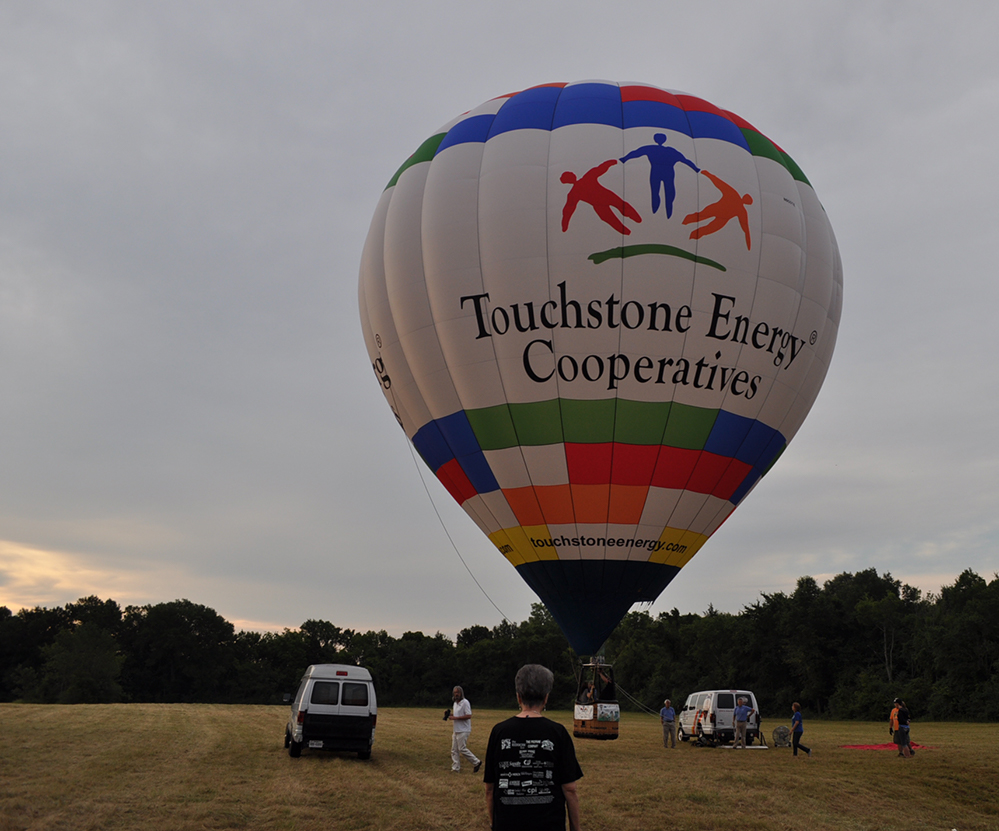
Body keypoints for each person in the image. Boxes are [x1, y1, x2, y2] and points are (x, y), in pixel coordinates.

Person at [483, 664, 583, 831]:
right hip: (549, 824)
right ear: (546, 697)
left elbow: (490, 788)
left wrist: (494, 824)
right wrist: (575, 828)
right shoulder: (557, 732)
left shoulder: (499, 732)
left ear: (518, 697)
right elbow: (570, 789)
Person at [619, 133, 700, 217]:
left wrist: (624, 159)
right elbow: (685, 160)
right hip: (667, 173)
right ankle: (665, 212)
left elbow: (636, 153)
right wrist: (695, 169)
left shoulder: (651, 149)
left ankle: (659, 211)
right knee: (668, 192)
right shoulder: (670, 151)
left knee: (657, 191)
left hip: (656, 172)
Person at [560, 159, 642, 235]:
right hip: (605, 199)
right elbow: (600, 169)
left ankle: (633, 224)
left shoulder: (573, 192)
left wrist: (565, 224)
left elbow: (568, 210)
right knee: (617, 212)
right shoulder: (583, 182)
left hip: (601, 202)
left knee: (614, 216)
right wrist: (610, 163)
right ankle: (633, 224)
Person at [448, 685, 481, 773]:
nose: (456, 694)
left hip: (464, 729)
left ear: (461, 693)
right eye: (455, 693)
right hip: (456, 729)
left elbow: (468, 715)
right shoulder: (455, 703)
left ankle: (476, 762)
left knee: (462, 748)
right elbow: (456, 715)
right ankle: (455, 768)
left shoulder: (465, 702)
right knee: (454, 750)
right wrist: (450, 715)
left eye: (458, 692)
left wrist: (455, 718)